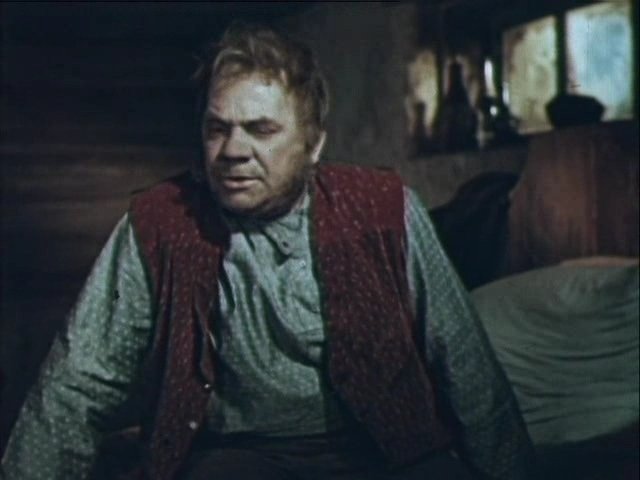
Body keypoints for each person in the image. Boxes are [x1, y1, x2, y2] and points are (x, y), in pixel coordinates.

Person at [1, 23, 534, 480]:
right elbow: (79, 380)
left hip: (383, 446)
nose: (233, 151)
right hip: (235, 455)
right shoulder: (160, 223)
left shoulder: (384, 208)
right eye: (218, 129)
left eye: (261, 130)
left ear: (313, 143)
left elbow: (463, 358)